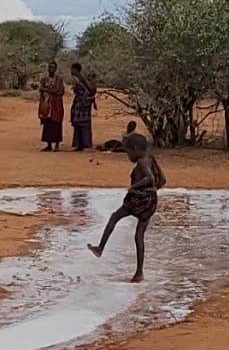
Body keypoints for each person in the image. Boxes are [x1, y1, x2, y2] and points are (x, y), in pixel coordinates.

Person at [87, 132, 166, 283]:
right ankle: (139, 273)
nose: (128, 156)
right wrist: (153, 192)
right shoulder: (151, 158)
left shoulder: (142, 163)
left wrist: (134, 188)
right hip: (151, 201)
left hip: (138, 199)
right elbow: (162, 180)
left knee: (114, 217)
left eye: (128, 152)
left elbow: (149, 177)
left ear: (135, 149)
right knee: (139, 236)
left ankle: (100, 248)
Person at [37, 61, 66, 151]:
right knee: (48, 123)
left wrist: (46, 90)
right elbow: (41, 89)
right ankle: (49, 145)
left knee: (56, 122)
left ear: (55, 69)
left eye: (53, 67)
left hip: (56, 104)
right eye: (50, 67)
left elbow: (58, 91)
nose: (51, 69)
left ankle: (56, 145)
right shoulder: (44, 79)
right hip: (47, 104)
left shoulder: (58, 79)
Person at [70, 62, 96, 151]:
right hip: (81, 102)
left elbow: (90, 89)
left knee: (82, 123)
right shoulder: (78, 79)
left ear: (75, 70)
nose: (71, 71)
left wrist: (86, 99)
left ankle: (84, 144)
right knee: (78, 123)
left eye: (72, 69)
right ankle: (80, 144)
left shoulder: (80, 78)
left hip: (82, 103)